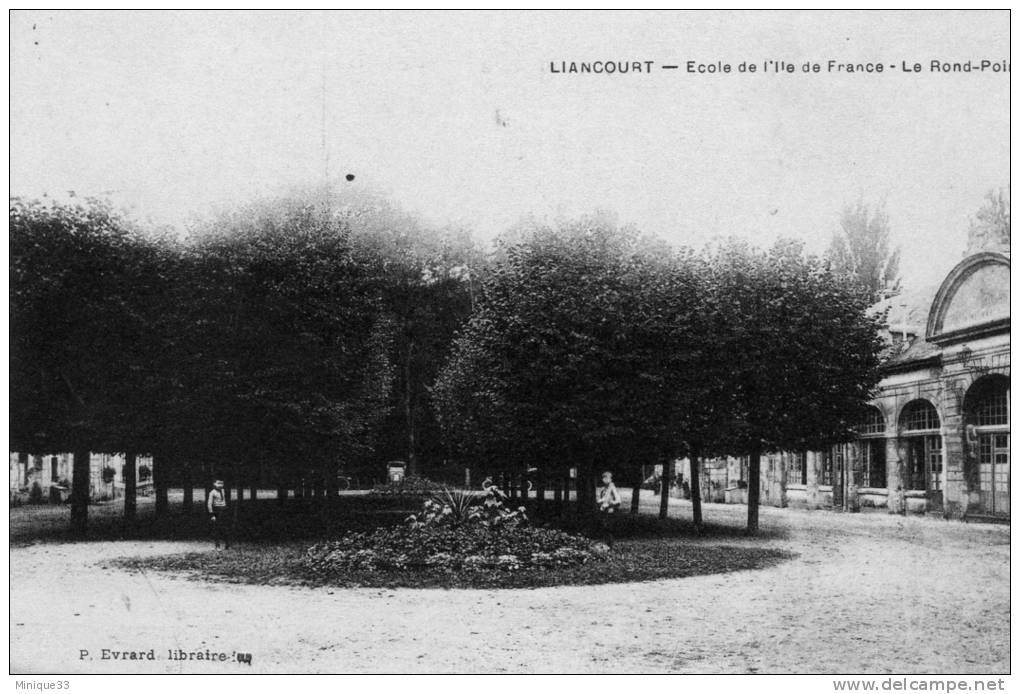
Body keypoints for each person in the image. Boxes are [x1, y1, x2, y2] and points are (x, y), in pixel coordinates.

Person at [596, 471, 622, 547]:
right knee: (603, 529)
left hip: (610, 511)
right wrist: (601, 501)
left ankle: (610, 546)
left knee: (608, 529)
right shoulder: (604, 489)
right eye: (603, 478)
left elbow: (618, 501)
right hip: (604, 511)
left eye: (606, 477)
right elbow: (602, 499)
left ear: (610, 479)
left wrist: (610, 503)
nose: (604, 479)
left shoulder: (612, 488)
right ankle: (605, 545)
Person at [207, 479, 229, 549]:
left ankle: (227, 544)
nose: (220, 485)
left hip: (223, 510)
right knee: (217, 528)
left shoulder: (223, 491)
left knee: (225, 528)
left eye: (221, 484)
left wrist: (226, 508)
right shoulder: (212, 493)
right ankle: (217, 545)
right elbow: (209, 504)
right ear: (214, 484)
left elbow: (224, 501)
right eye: (218, 483)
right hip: (217, 510)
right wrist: (212, 514)